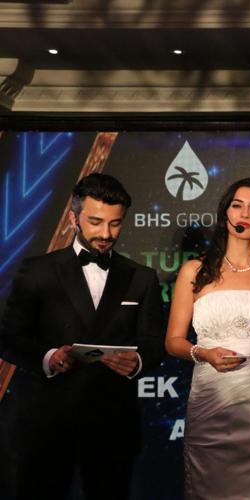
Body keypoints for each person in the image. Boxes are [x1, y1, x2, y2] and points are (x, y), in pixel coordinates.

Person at [0, 173, 165, 500]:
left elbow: (154, 342)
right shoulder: (38, 270)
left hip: (113, 426)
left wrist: (137, 361)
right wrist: (49, 358)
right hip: (47, 424)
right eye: (96, 222)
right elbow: (9, 338)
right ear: (74, 218)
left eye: (115, 224)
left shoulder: (142, 277)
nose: (106, 234)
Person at [165, 177, 250, 500]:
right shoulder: (194, 272)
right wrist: (205, 354)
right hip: (212, 405)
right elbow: (174, 341)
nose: (245, 214)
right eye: (237, 205)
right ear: (225, 214)